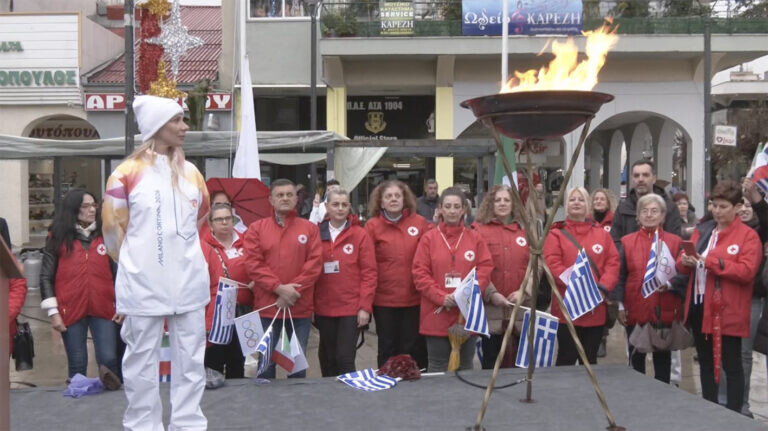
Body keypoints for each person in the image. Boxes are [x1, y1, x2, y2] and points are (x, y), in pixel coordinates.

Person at [103, 95, 211, 430]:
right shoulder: (125, 174)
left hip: (189, 280)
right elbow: (112, 233)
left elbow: (201, 217)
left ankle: (187, 424)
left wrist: (180, 254)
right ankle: (142, 424)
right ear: (156, 126)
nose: (184, 127)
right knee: (141, 362)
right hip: (143, 283)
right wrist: (142, 263)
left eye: (183, 119)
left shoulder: (192, 173)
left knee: (191, 360)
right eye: (176, 120)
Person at [678, 180, 761, 413]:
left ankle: (734, 413)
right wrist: (684, 261)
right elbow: (685, 260)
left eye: (723, 206)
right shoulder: (704, 229)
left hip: (728, 308)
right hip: (699, 305)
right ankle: (710, 409)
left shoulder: (748, 236)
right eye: (714, 205)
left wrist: (711, 262)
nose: (717, 211)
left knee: (731, 363)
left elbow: (746, 271)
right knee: (705, 362)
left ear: (737, 207)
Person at [40, 189, 122, 389]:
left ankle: (111, 403)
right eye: (85, 206)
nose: (92, 210)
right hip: (70, 309)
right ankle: (77, 405)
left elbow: (119, 274)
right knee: (77, 363)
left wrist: (122, 304)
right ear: (73, 209)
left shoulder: (107, 234)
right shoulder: (57, 237)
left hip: (105, 308)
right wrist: (53, 313)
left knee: (109, 359)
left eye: (94, 205)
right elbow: (45, 277)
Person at [244, 179, 322, 378]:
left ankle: (297, 399)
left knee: (297, 367)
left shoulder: (310, 228)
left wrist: (291, 293)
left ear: (296, 199)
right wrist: (279, 288)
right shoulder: (256, 228)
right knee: (266, 365)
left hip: (299, 308)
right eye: (280, 195)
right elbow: (253, 264)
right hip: (268, 308)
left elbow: (314, 265)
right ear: (271, 200)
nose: (285, 198)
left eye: (289, 194)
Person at [412, 187, 494, 372]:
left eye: (457, 206)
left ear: (464, 209)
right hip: (436, 312)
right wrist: (441, 297)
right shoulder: (428, 239)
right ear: (440, 209)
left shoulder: (475, 238)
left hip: (466, 313)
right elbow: (420, 273)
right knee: (438, 365)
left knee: (465, 366)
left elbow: (485, 268)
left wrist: (467, 294)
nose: (452, 211)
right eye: (448, 206)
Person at [614, 194, 686, 383]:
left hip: (664, 309)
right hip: (634, 309)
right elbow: (620, 276)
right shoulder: (627, 242)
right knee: (636, 361)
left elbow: (684, 274)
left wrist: (669, 284)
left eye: (654, 211)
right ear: (638, 216)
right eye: (644, 211)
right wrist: (619, 305)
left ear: (663, 216)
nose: (649, 215)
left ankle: (662, 395)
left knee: (663, 362)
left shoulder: (675, 242)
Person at [544, 187, 620, 365]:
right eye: (572, 199)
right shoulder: (556, 234)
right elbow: (553, 264)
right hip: (567, 307)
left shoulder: (602, 234)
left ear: (588, 205)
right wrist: (578, 287)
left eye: (581, 200)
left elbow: (613, 263)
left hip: (595, 306)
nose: (576, 203)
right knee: (566, 359)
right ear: (566, 205)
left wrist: (602, 288)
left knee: (589, 360)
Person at [364, 180, 430, 369]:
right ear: (381, 202)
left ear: (404, 199)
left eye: (397, 196)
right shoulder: (372, 226)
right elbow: (367, 264)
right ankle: (386, 381)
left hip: (414, 298)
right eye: (388, 196)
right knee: (387, 346)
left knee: (412, 347)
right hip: (384, 300)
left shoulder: (420, 223)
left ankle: (412, 381)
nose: (393, 199)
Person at [717, 178, 768, 416]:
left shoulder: (759, 230)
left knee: (743, 354)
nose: (745, 209)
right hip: (723, 297)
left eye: (749, 205)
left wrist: (757, 200)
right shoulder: (721, 228)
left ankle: (741, 404)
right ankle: (722, 399)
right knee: (723, 353)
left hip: (752, 299)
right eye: (742, 204)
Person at [314, 188, 377, 376]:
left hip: (351, 308)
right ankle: (330, 394)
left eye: (344, 205)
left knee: (344, 358)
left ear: (349, 207)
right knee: (327, 358)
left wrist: (365, 307)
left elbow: (369, 273)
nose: (340, 208)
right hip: (324, 307)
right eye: (335, 204)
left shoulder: (360, 235)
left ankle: (349, 393)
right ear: (327, 207)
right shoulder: (315, 233)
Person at [471, 184, 531, 368]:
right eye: (498, 200)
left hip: (520, 310)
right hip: (491, 312)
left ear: (514, 204)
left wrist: (524, 291)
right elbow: (474, 266)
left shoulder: (526, 230)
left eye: (507, 200)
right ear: (491, 204)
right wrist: (491, 293)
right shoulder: (477, 230)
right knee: (491, 364)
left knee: (519, 366)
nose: (502, 203)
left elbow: (536, 266)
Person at [201, 203, 253, 379]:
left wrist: (256, 281)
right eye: (219, 219)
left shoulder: (247, 241)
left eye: (227, 218)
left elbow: (258, 266)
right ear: (210, 224)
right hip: (216, 314)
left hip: (244, 311)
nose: (224, 222)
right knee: (214, 360)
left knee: (238, 361)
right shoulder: (203, 246)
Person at [611, 160, 682, 247]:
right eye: (636, 175)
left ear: (654, 179)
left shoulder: (669, 208)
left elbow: (675, 243)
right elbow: (615, 241)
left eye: (645, 175)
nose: (640, 179)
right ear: (632, 179)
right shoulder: (623, 208)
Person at [591, 188, 617, 358]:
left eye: (602, 199)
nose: (599, 201)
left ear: (608, 203)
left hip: (607, 269)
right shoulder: (587, 221)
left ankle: (603, 337)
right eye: (596, 199)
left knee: (606, 306)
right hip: (592, 268)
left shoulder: (614, 222)